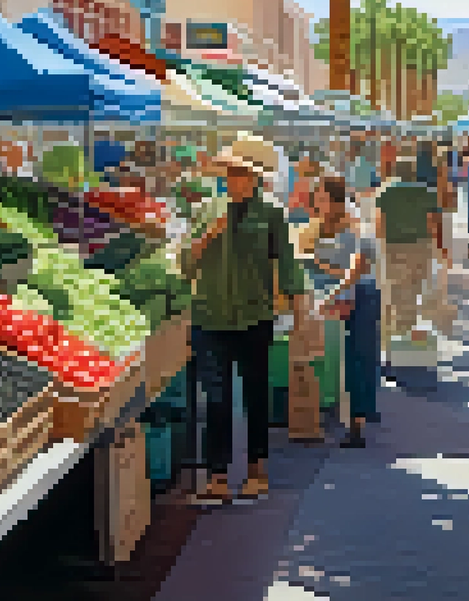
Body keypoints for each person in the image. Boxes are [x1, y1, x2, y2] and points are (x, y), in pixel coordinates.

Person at [182, 133, 309, 505]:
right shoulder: (207, 209)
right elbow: (186, 262)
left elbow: (287, 262)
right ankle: (218, 476)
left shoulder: (271, 213)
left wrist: (299, 312)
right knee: (216, 399)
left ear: (255, 178)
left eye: (241, 173)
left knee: (256, 395)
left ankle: (257, 470)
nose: (234, 179)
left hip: (255, 316)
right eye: (230, 172)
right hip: (210, 317)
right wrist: (209, 234)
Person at [311, 175, 381, 448]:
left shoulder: (357, 228)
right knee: (343, 361)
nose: (317, 202)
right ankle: (352, 418)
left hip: (359, 296)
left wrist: (333, 293)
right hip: (339, 295)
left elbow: (358, 268)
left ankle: (357, 425)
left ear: (336, 200)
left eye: (322, 197)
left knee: (357, 360)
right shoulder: (320, 227)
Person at [376, 156, 442, 352]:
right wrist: (438, 246)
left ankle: (399, 333)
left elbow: (380, 222)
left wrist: (381, 242)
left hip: (395, 245)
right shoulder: (427, 191)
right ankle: (406, 330)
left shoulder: (386, 191)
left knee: (398, 290)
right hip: (421, 245)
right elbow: (434, 221)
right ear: (413, 172)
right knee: (414, 288)